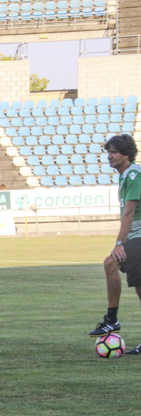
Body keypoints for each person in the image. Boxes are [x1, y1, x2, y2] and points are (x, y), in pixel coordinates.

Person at [89, 134, 141, 355]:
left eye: (114, 152)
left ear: (126, 155)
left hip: (138, 238)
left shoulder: (133, 173)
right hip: (136, 238)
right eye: (108, 152)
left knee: (111, 263)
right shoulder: (125, 176)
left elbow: (129, 212)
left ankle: (111, 319)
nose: (109, 156)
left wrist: (120, 243)